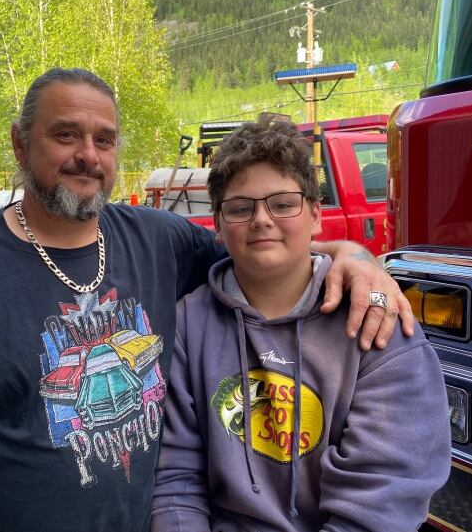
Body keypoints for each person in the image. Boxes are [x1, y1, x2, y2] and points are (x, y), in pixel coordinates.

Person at [0, 68, 414, 532]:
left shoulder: (158, 240)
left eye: (104, 139)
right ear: (20, 144)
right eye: (65, 135)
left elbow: (264, 247)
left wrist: (356, 257)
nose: (87, 156)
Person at [151, 119, 450, 532]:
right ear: (216, 225)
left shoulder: (375, 320)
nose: (261, 219)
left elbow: (381, 499)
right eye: (240, 208)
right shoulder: (188, 324)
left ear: (315, 214)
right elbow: (175, 480)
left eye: (283, 203)